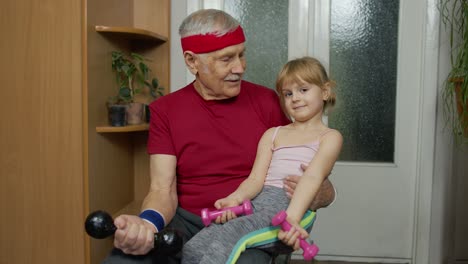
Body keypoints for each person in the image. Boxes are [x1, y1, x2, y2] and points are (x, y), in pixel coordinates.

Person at [103, 9, 336, 264]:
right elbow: (161, 189)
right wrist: (147, 224)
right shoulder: (166, 111)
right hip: (188, 220)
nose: (240, 67)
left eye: (242, 54)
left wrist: (324, 194)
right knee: (121, 261)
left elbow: (305, 163)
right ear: (192, 62)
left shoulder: (269, 102)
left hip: (248, 220)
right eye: (227, 59)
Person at [181, 56, 343, 264]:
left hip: (291, 209)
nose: (295, 98)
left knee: (232, 233)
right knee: (199, 242)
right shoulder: (273, 134)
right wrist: (235, 198)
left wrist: (292, 217)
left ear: (325, 91)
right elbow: (255, 180)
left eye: (303, 90)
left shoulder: (329, 137)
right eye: (288, 93)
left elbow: (312, 177)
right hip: (257, 204)